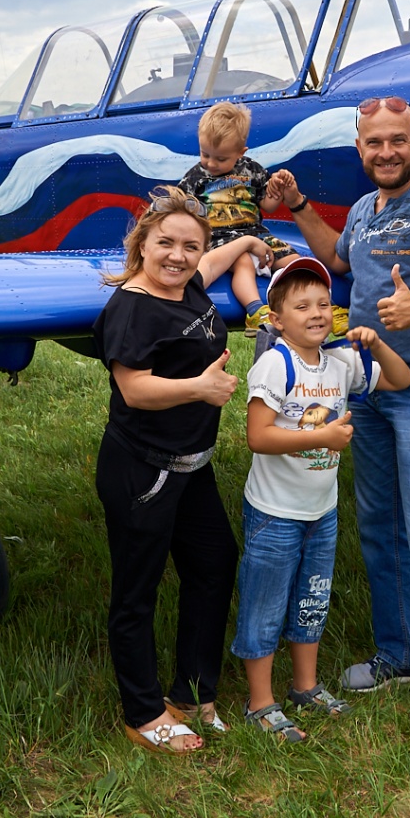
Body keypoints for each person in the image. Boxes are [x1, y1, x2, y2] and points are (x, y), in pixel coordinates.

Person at [269, 96, 410, 732]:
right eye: (373, 143)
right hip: (368, 390)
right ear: (359, 149)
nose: (385, 152)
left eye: (397, 140)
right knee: (380, 528)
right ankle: (400, 656)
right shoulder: (366, 209)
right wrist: (302, 209)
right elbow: (340, 259)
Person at [91, 185, 273, 754]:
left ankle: (192, 694)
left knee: (214, 561)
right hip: (142, 468)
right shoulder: (131, 309)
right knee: (136, 592)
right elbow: (136, 389)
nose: (178, 256)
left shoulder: (189, 281)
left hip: (191, 465)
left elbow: (215, 261)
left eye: (189, 247)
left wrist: (243, 239)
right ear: (141, 243)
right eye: (165, 243)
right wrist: (200, 388)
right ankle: (143, 712)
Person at [234, 256, 410, 742]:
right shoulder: (276, 363)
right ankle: (260, 701)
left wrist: (379, 345)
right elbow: (257, 436)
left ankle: (305, 686)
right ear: (277, 320)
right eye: (300, 306)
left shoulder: (341, 361)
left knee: (312, 600)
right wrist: (323, 440)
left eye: (323, 303)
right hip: (275, 513)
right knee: (265, 603)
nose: (315, 313)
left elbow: (400, 381)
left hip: (321, 511)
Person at [180, 102, 297, 335]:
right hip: (220, 239)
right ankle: (255, 310)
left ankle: (321, 303)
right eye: (205, 155)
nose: (211, 164)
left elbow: (268, 206)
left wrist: (278, 189)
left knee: (292, 260)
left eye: (221, 159)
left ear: (240, 152)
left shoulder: (251, 170)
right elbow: (183, 213)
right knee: (242, 260)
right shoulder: (196, 177)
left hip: (256, 233)